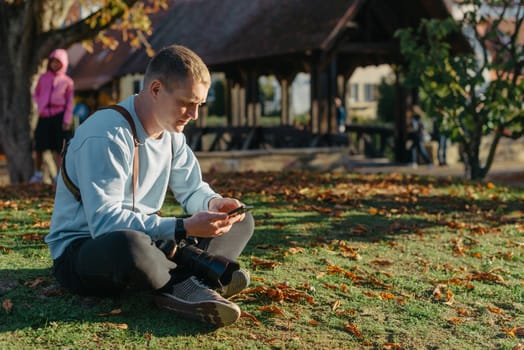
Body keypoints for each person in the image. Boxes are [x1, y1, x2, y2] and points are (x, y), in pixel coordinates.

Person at [45, 45, 255, 328]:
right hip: (86, 249)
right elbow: (105, 224)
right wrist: (182, 228)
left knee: (241, 221)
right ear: (156, 89)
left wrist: (213, 205)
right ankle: (184, 282)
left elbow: (192, 190)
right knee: (129, 246)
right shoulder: (106, 134)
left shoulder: (172, 135)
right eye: (187, 102)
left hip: (154, 241)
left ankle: (179, 277)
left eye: (200, 105)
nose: (194, 114)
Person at [29, 49, 75, 184]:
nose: (55, 65)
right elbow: (36, 93)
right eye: (53, 62)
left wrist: (67, 120)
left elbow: (69, 103)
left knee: (58, 148)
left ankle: (59, 175)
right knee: (39, 146)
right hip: (44, 116)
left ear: (64, 64)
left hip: (58, 116)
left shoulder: (67, 82)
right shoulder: (44, 78)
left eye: (58, 62)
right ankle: (37, 174)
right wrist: (39, 104)